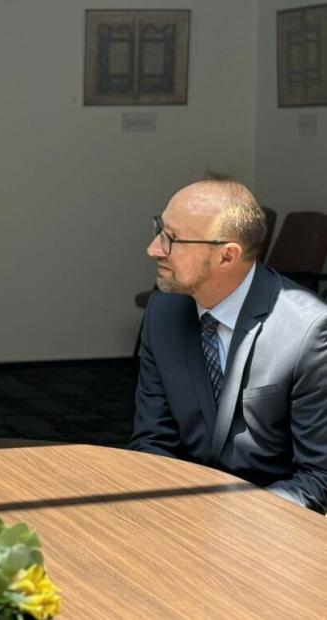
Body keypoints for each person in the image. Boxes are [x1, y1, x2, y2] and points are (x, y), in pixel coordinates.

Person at [129, 178, 327, 514]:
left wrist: (221, 517)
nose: (154, 248)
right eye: (159, 229)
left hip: (273, 531)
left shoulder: (308, 331)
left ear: (226, 257)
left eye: (172, 239)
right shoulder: (163, 312)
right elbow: (152, 440)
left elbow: (319, 480)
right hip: (180, 517)